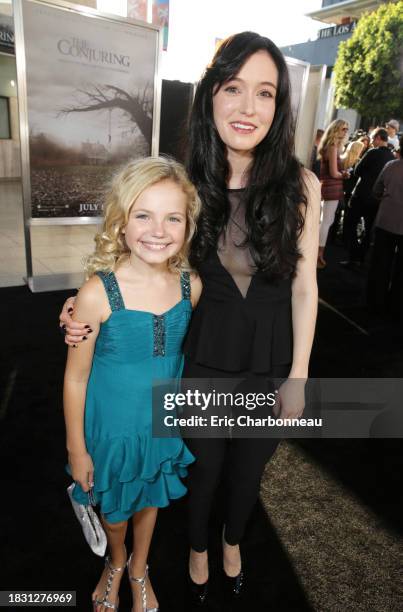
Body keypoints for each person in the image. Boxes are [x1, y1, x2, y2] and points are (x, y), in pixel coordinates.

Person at [61, 31, 320, 607]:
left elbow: (306, 287)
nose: (248, 107)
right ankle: (198, 549)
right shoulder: (184, 182)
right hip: (199, 360)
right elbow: (140, 264)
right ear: (211, 96)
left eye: (266, 93)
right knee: (202, 474)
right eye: (234, 88)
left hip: (271, 363)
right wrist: (80, 308)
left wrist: (300, 374)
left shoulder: (300, 185)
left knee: (249, 474)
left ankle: (233, 543)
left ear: (280, 107)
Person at [63, 156, 202, 612]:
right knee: (116, 513)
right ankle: (117, 562)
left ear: (187, 226)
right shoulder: (97, 292)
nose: (157, 230)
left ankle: (140, 568)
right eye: (143, 215)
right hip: (112, 431)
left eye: (172, 218)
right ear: (121, 223)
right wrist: (76, 449)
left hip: (161, 422)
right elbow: (76, 377)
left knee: (151, 501)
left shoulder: (190, 286)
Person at [341, 127, 395, 268]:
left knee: (350, 224)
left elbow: (357, 170)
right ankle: (361, 258)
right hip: (377, 199)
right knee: (369, 230)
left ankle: (353, 256)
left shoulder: (372, 152)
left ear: (378, 138)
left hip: (361, 195)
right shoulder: (391, 157)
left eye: (372, 138)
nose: (371, 141)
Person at [367, 134, 403, 315]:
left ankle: (374, 302)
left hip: (386, 221)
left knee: (380, 263)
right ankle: (395, 304)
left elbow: (376, 190)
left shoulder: (391, 166)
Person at [317, 119, 349, 268]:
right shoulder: (333, 146)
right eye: (343, 129)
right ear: (336, 129)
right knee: (326, 222)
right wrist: (345, 174)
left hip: (327, 186)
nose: (345, 132)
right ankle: (318, 255)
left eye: (346, 129)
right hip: (331, 186)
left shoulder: (330, 145)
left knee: (324, 221)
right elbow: (334, 173)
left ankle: (317, 253)